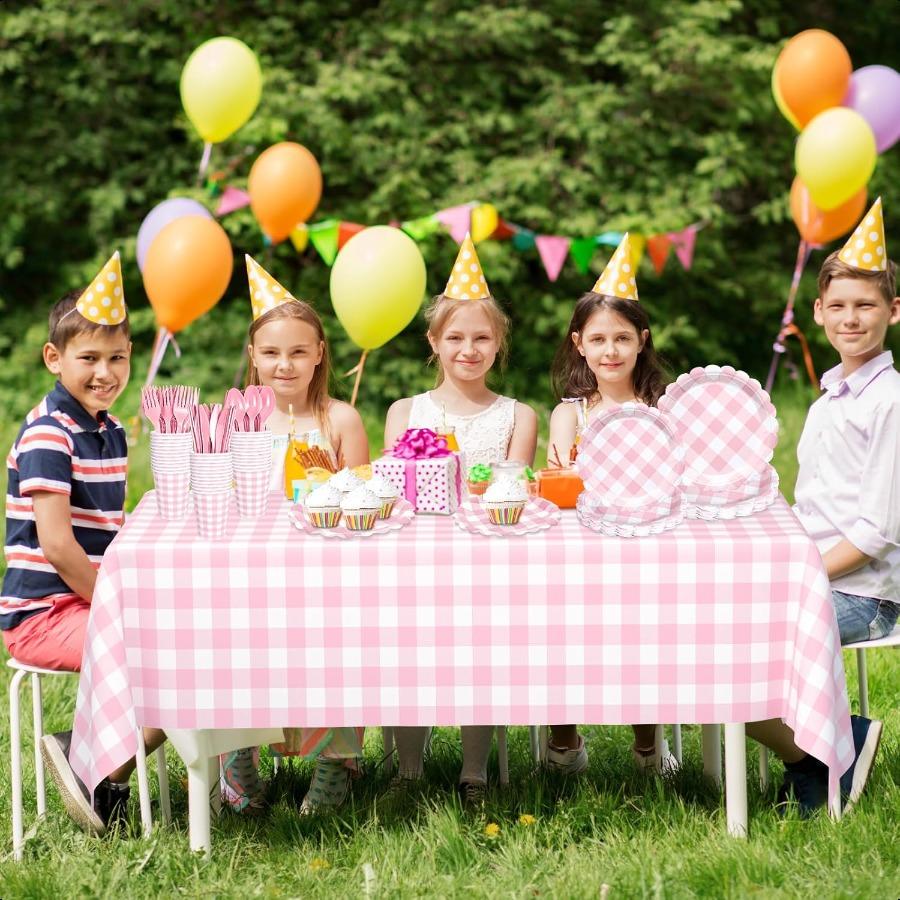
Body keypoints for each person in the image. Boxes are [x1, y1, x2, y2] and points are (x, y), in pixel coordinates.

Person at [742, 199, 897, 817]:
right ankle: (833, 746)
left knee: (735, 652)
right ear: (818, 311)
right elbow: (813, 503)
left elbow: (878, 531)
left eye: (866, 305)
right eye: (838, 305)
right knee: (709, 631)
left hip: (864, 593)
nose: (851, 318)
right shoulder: (831, 394)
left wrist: (799, 576)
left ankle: (818, 758)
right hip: (816, 576)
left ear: (892, 310)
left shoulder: (887, 404)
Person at [1, 254, 166, 834]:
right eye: (88, 358)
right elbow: (59, 546)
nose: (105, 371)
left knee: (190, 646)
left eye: (116, 357)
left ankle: (94, 763)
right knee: (168, 661)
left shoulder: (110, 428)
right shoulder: (50, 431)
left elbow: (108, 534)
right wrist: (115, 603)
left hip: (85, 602)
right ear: (55, 358)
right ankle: (97, 772)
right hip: (43, 613)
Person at [382, 233, 538, 809]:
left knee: (483, 646)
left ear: (498, 344)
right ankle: (408, 767)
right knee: (405, 647)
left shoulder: (517, 416)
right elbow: (396, 491)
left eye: (482, 337)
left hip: (489, 566)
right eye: (455, 337)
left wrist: (488, 484)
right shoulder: (406, 412)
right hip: (415, 564)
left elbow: (513, 490)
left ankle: (475, 770)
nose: (468, 349)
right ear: (433, 342)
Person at [219, 257, 369, 816]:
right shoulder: (236, 423)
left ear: (319, 355)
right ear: (253, 357)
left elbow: (361, 504)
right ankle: (237, 759)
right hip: (251, 574)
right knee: (233, 647)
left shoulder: (340, 422)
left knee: (341, 648)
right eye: (272, 352)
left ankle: (334, 769)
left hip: (325, 578)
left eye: (298, 351)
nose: (285, 364)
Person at [545, 234, 675, 777]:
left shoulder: (662, 407)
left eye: (622, 338)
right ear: (579, 343)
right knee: (557, 626)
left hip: (647, 550)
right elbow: (557, 481)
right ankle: (564, 743)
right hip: (578, 551)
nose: (611, 351)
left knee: (645, 630)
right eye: (598, 339)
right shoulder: (570, 414)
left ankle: (648, 746)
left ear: (642, 340)